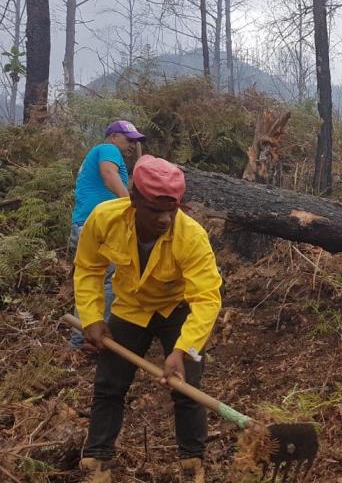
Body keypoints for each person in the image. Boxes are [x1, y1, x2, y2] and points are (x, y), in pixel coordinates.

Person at [76, 155, 223, 483]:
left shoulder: (191, 236)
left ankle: (192, 465)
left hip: (178, 310)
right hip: (131, 307)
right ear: (134, 199)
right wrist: (92, 317)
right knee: (109, 385)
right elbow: (88, 267)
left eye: (172, 210)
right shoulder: (105, 219)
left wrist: (183, 350)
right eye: (156, 210)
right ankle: (97, 462)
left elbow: (206, 298)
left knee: (187, 387)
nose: (165, 219)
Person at [69, 120, 145, 348]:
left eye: (134, 141)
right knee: (108, 280)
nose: (130, 144)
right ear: (113, 136)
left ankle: (82, 339)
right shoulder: (108, 149)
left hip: (89, 223)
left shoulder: (101, 153)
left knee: (92, 278)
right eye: (127, 139)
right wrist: (131, 205)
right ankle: (89, 339)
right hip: (96, 226)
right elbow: (109, 174)